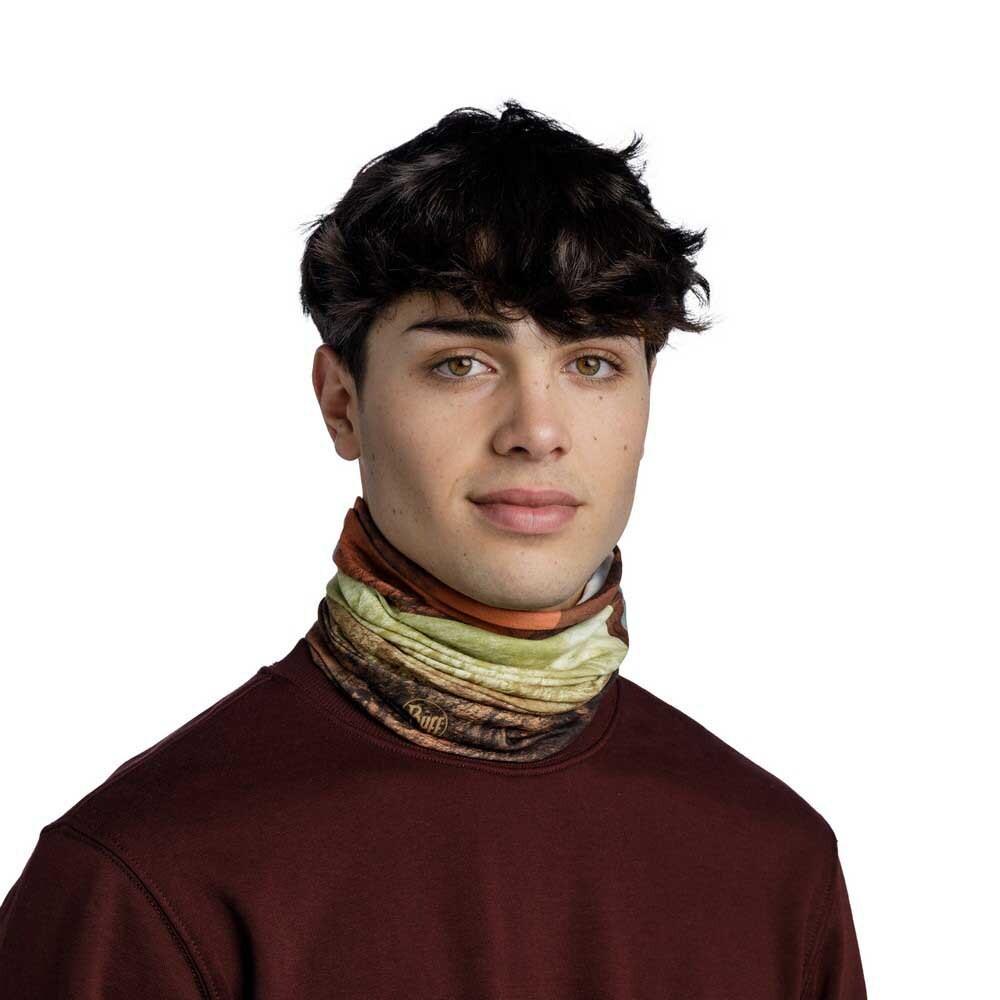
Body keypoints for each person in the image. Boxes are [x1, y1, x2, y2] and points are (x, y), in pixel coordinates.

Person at [0, 100, 867, 998]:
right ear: (341, 403)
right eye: (462, 363)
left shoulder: (775, 861)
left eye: (592, 363)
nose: (537, 430)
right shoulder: (143, 880)